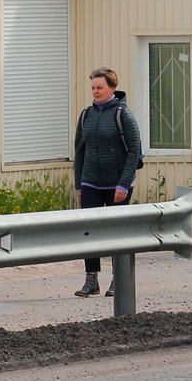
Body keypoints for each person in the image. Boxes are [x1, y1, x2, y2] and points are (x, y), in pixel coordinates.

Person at [72, 67, 142, 297]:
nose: (95, 92)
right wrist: (79, 185)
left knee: (116, 234)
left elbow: (134, 152)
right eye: (93, 87)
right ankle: (91, 280)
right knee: (89, 232)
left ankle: (118, 278)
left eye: (100, 87)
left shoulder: (123, 115)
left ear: (112, 88)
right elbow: (79, 153)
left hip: (117, 183)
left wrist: (123, 184)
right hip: (91, 181)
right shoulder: (86, 116)